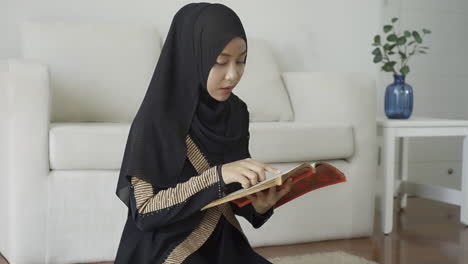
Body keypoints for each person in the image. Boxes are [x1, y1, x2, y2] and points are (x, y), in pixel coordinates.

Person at [114, 2, 293, 263]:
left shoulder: (236, 112)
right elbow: (144, 211)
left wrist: (259, 207)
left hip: (222, 243)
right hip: (166, 247)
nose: (233, 75)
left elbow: (231, 194)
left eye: (241, 61)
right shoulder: (157, 118)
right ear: (192, 56)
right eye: (220, 62)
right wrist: (217, 176)